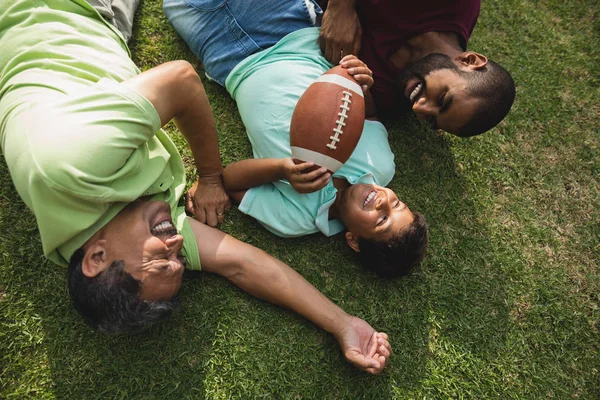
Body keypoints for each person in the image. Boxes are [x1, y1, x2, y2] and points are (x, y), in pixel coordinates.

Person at [0, 0, 391, 374]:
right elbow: (240, 263)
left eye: (162, 259)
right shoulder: (112, 238)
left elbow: (181, 79)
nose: (176, 246)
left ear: (96, 258)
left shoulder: (67, 165)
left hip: (59, 12)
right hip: (103, 34)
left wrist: (209, 177)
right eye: (179, 261)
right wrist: (341, 324)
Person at [163, 0, 429, 278]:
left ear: (354, 240)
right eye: (397, 204)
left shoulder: (296, 220)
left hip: (229, 58)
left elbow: (228, 181)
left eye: (382, 220)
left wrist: (283, 169)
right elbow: (370, 115)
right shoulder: (380, 165)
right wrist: (361, 82)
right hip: (289, 29)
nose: (383, 201)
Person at [317, 0, 516, 136]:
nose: (418, 107)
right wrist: (340, 8)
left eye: (431, 119)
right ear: (469, 61)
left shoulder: (388, 97)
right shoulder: (454, 5)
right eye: (442, 99)